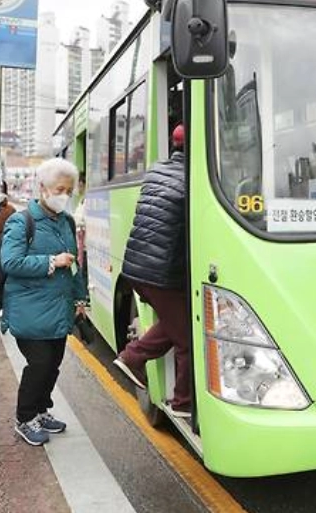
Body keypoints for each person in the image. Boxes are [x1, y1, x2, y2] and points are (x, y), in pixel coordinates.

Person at [0, 157, 88, 446]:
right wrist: (52, 261)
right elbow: (10, 262)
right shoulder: (21, 221)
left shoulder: (67, 221)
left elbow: (74, 262)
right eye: (59, 189)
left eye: (69, 191)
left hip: (58, 309)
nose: (64, 195)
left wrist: (80, 297)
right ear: (42, 188)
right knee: (39, 364)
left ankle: (41, 410)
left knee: (53, 364)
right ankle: (25, 418)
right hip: (29, 310)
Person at [113, 124, 191, 418]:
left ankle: (133, 357)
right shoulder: (194, 176)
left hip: (139, 269)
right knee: (186, 339)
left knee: (176, 325)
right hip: (161, 273)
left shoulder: (158, 169)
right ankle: (183, 403)